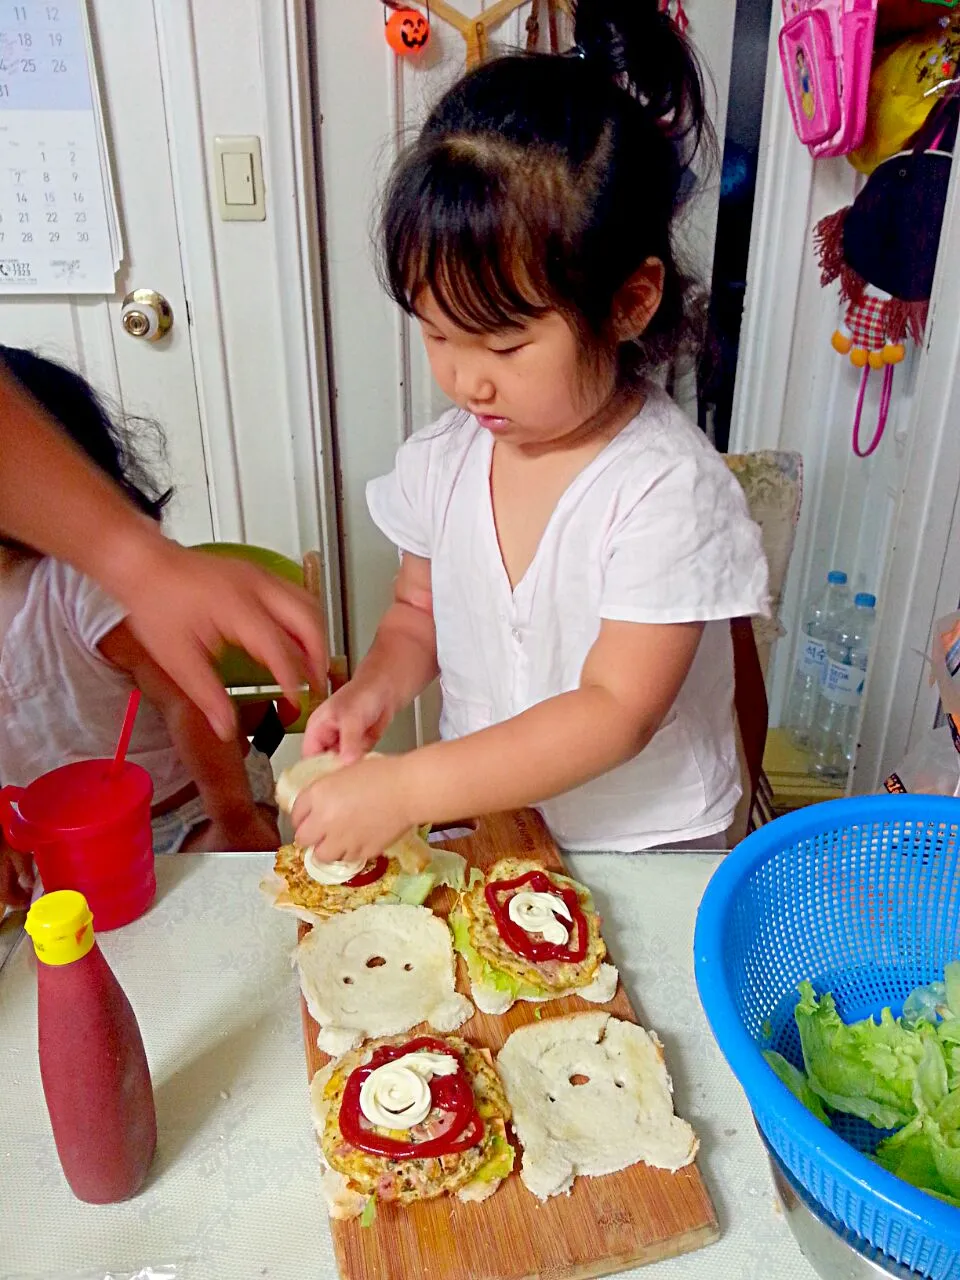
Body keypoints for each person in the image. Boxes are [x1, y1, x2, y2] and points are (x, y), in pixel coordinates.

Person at [292, 0, 769, 862]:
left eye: (506, 342)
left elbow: (616, 709)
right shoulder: (443, 461)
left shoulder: (669, 489)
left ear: (630, 302)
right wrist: (372, 690)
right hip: (493, 819)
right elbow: (416, 611)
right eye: (438, 333)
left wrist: (409, 785)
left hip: (647, 841)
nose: (467, 378)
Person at [0, 347, 281, 885]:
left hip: (193, 809)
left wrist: (235, 818)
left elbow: (190, 701)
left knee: (230, 909)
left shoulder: (86, 582)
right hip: (64, 840)